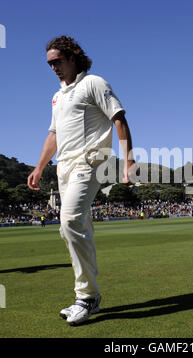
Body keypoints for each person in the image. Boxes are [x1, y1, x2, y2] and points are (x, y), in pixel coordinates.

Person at [27, 36, 135, 326]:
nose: (53, 68)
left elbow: (119, 119)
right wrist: (40, 167)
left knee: (70, 220)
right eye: (49, 64)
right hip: (64, 167)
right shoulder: (58, 96)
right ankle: (91, 295)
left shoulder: (94, 84)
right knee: (73, 227)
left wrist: (129, 161)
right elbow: (54, 135)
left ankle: (86, 297)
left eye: (57, 62)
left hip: (90, 162)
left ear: (73, 57)